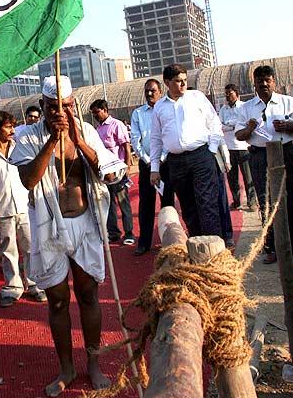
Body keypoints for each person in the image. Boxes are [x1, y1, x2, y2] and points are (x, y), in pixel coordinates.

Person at [11, 76, 126, 397]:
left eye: (67, 106)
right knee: (58, 301)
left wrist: (76, 137)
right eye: (53, 107)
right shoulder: (27, 136)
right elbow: (29, 181)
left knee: (88, 296)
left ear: (74, 105)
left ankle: (93, 363)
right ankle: (66, 368)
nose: (60, 112)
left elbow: (109, 172)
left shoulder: (86, 131)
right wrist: (52, 142)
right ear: (43, 106)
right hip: (49, 226)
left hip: (85, 225)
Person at [0, 111, 46, 308]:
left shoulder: (20, 149)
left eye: (12, 126)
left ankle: (35, 284)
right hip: (3, 209)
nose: (12, 130)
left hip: (26, 206)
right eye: (8, 127)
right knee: (8, 251)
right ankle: (12, 287)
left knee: (31, 248)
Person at [150, 64, 223, 238]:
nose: (183, 84)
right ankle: (197, 245)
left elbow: (214, 123)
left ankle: (215, 249)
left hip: (201, 156)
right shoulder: (159, 107)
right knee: (188, 206)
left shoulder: (197, 97)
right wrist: (154, 169)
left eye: (184, 80)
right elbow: (155, 139)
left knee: (207, 204)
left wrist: (211, 151)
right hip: (176, 162)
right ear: (167, 82)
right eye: (178, 81)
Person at [235, 65, 293, 264]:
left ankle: (290, 244)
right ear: (255, 84)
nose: (264, 84)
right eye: (260, 81)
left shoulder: (287, 102)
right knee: (265, 200)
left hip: (287, 152)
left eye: (268, 80)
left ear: (274, 81)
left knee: (289, 197)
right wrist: (250, 128)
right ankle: (271, 247)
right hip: (260, 155)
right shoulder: (246, 108)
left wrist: (287, 126)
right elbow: (238, 135)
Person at [130, 79, 174, 255]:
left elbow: (169, 134)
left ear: (160, 91)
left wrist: (161, 159)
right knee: (146, 204)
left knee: (167, 204)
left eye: (153, 91)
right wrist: (149, 161)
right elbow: (135, 139)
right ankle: (144, 242)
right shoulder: (138, 113)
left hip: (165, 164)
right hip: (146, 164)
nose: (149, 94)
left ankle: (169, 241)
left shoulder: (166, 110)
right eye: (147, 91)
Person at [89, 99, 135, 245]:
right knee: (109, 203)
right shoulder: (97, 130)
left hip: (118, 171)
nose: (95, 115)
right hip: (105, 171)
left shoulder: (116, 125)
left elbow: (125, 145)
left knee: (123, 202)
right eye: (93, 113)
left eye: (97, 112)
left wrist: (127, 166)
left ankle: (129, 233)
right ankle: (114, 232)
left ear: (105, 110)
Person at [219, 84, 257, 210]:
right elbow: (220, 126)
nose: (228, 95)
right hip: (229, 148)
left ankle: (251, 202)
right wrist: (233, 126)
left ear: (236, 93)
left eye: (230, 93)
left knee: (248, 176)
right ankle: (236, 201)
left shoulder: (243, 107)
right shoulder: (223, 109)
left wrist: (230, 126)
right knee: (232, 177)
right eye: (226, 93)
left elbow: (244, 124)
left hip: (243, 147)